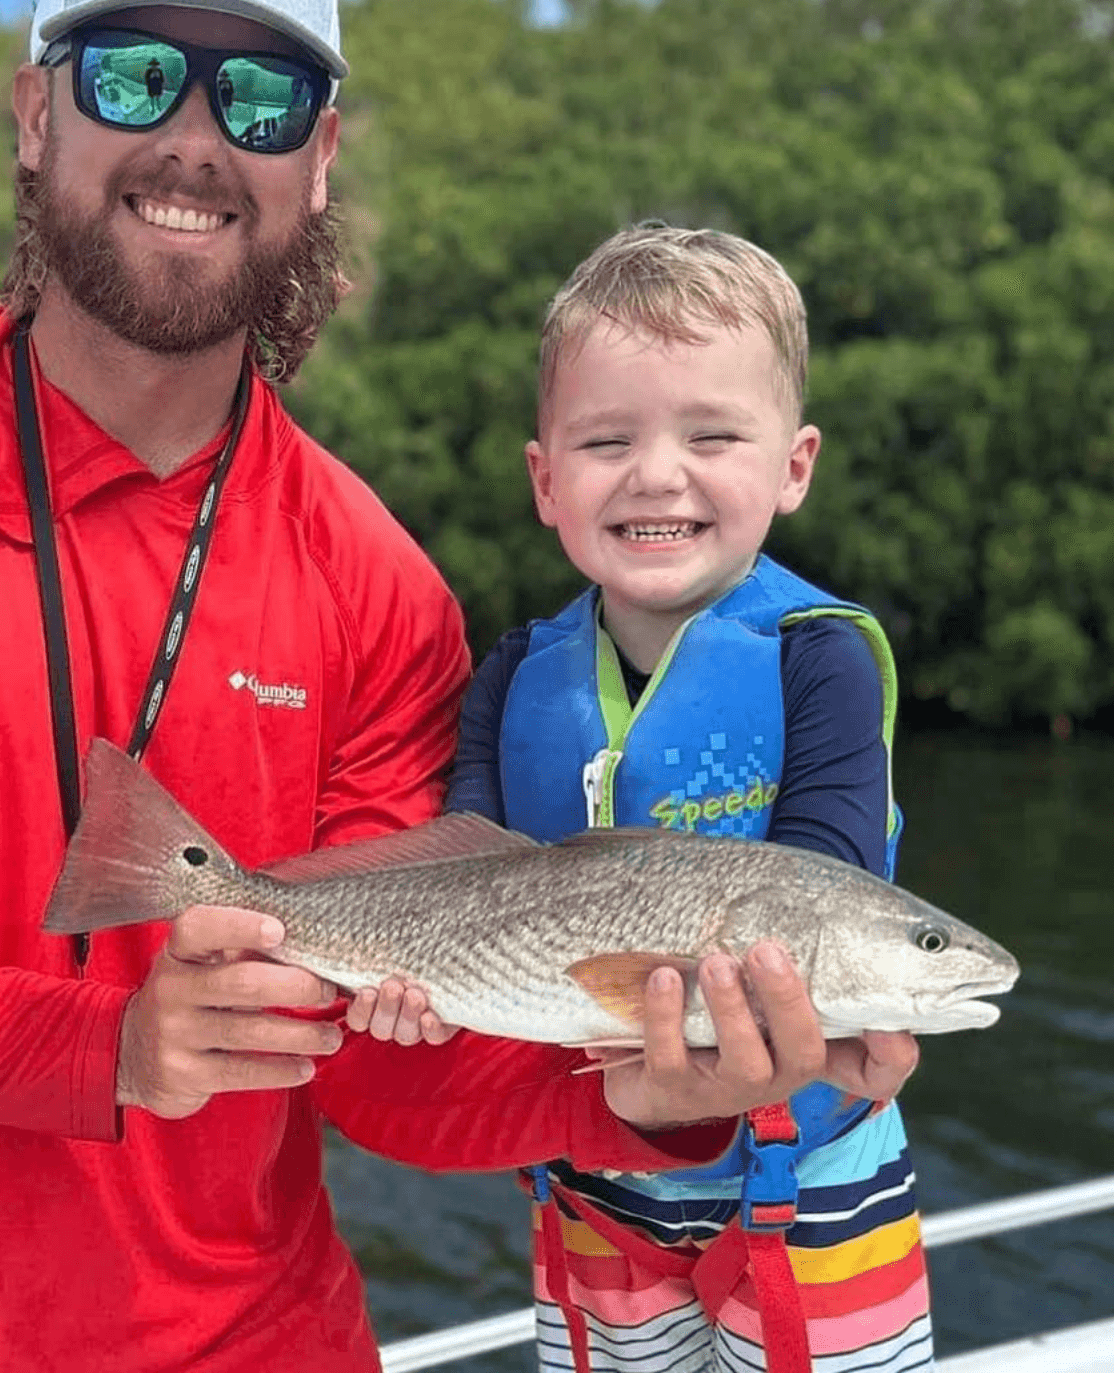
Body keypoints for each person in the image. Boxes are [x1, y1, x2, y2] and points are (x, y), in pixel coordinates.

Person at [0, 0, 918, 1373]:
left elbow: (389, 1062)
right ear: (38, 115)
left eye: (259, 96)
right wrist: (103, 1047)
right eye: (132, 75)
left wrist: (640, 1095)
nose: (193, 138)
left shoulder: (376, 585)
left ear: (317, 162)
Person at [390, 222, 928, 1373]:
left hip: (808, 1175)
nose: (656, 472)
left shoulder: (814, 660)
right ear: (546, 480)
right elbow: (459, 877)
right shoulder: (507, 675)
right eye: (606, 439)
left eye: (713, 433)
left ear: (795, 465)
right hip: (593, 1178)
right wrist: (413, 991)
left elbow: (819, 897)